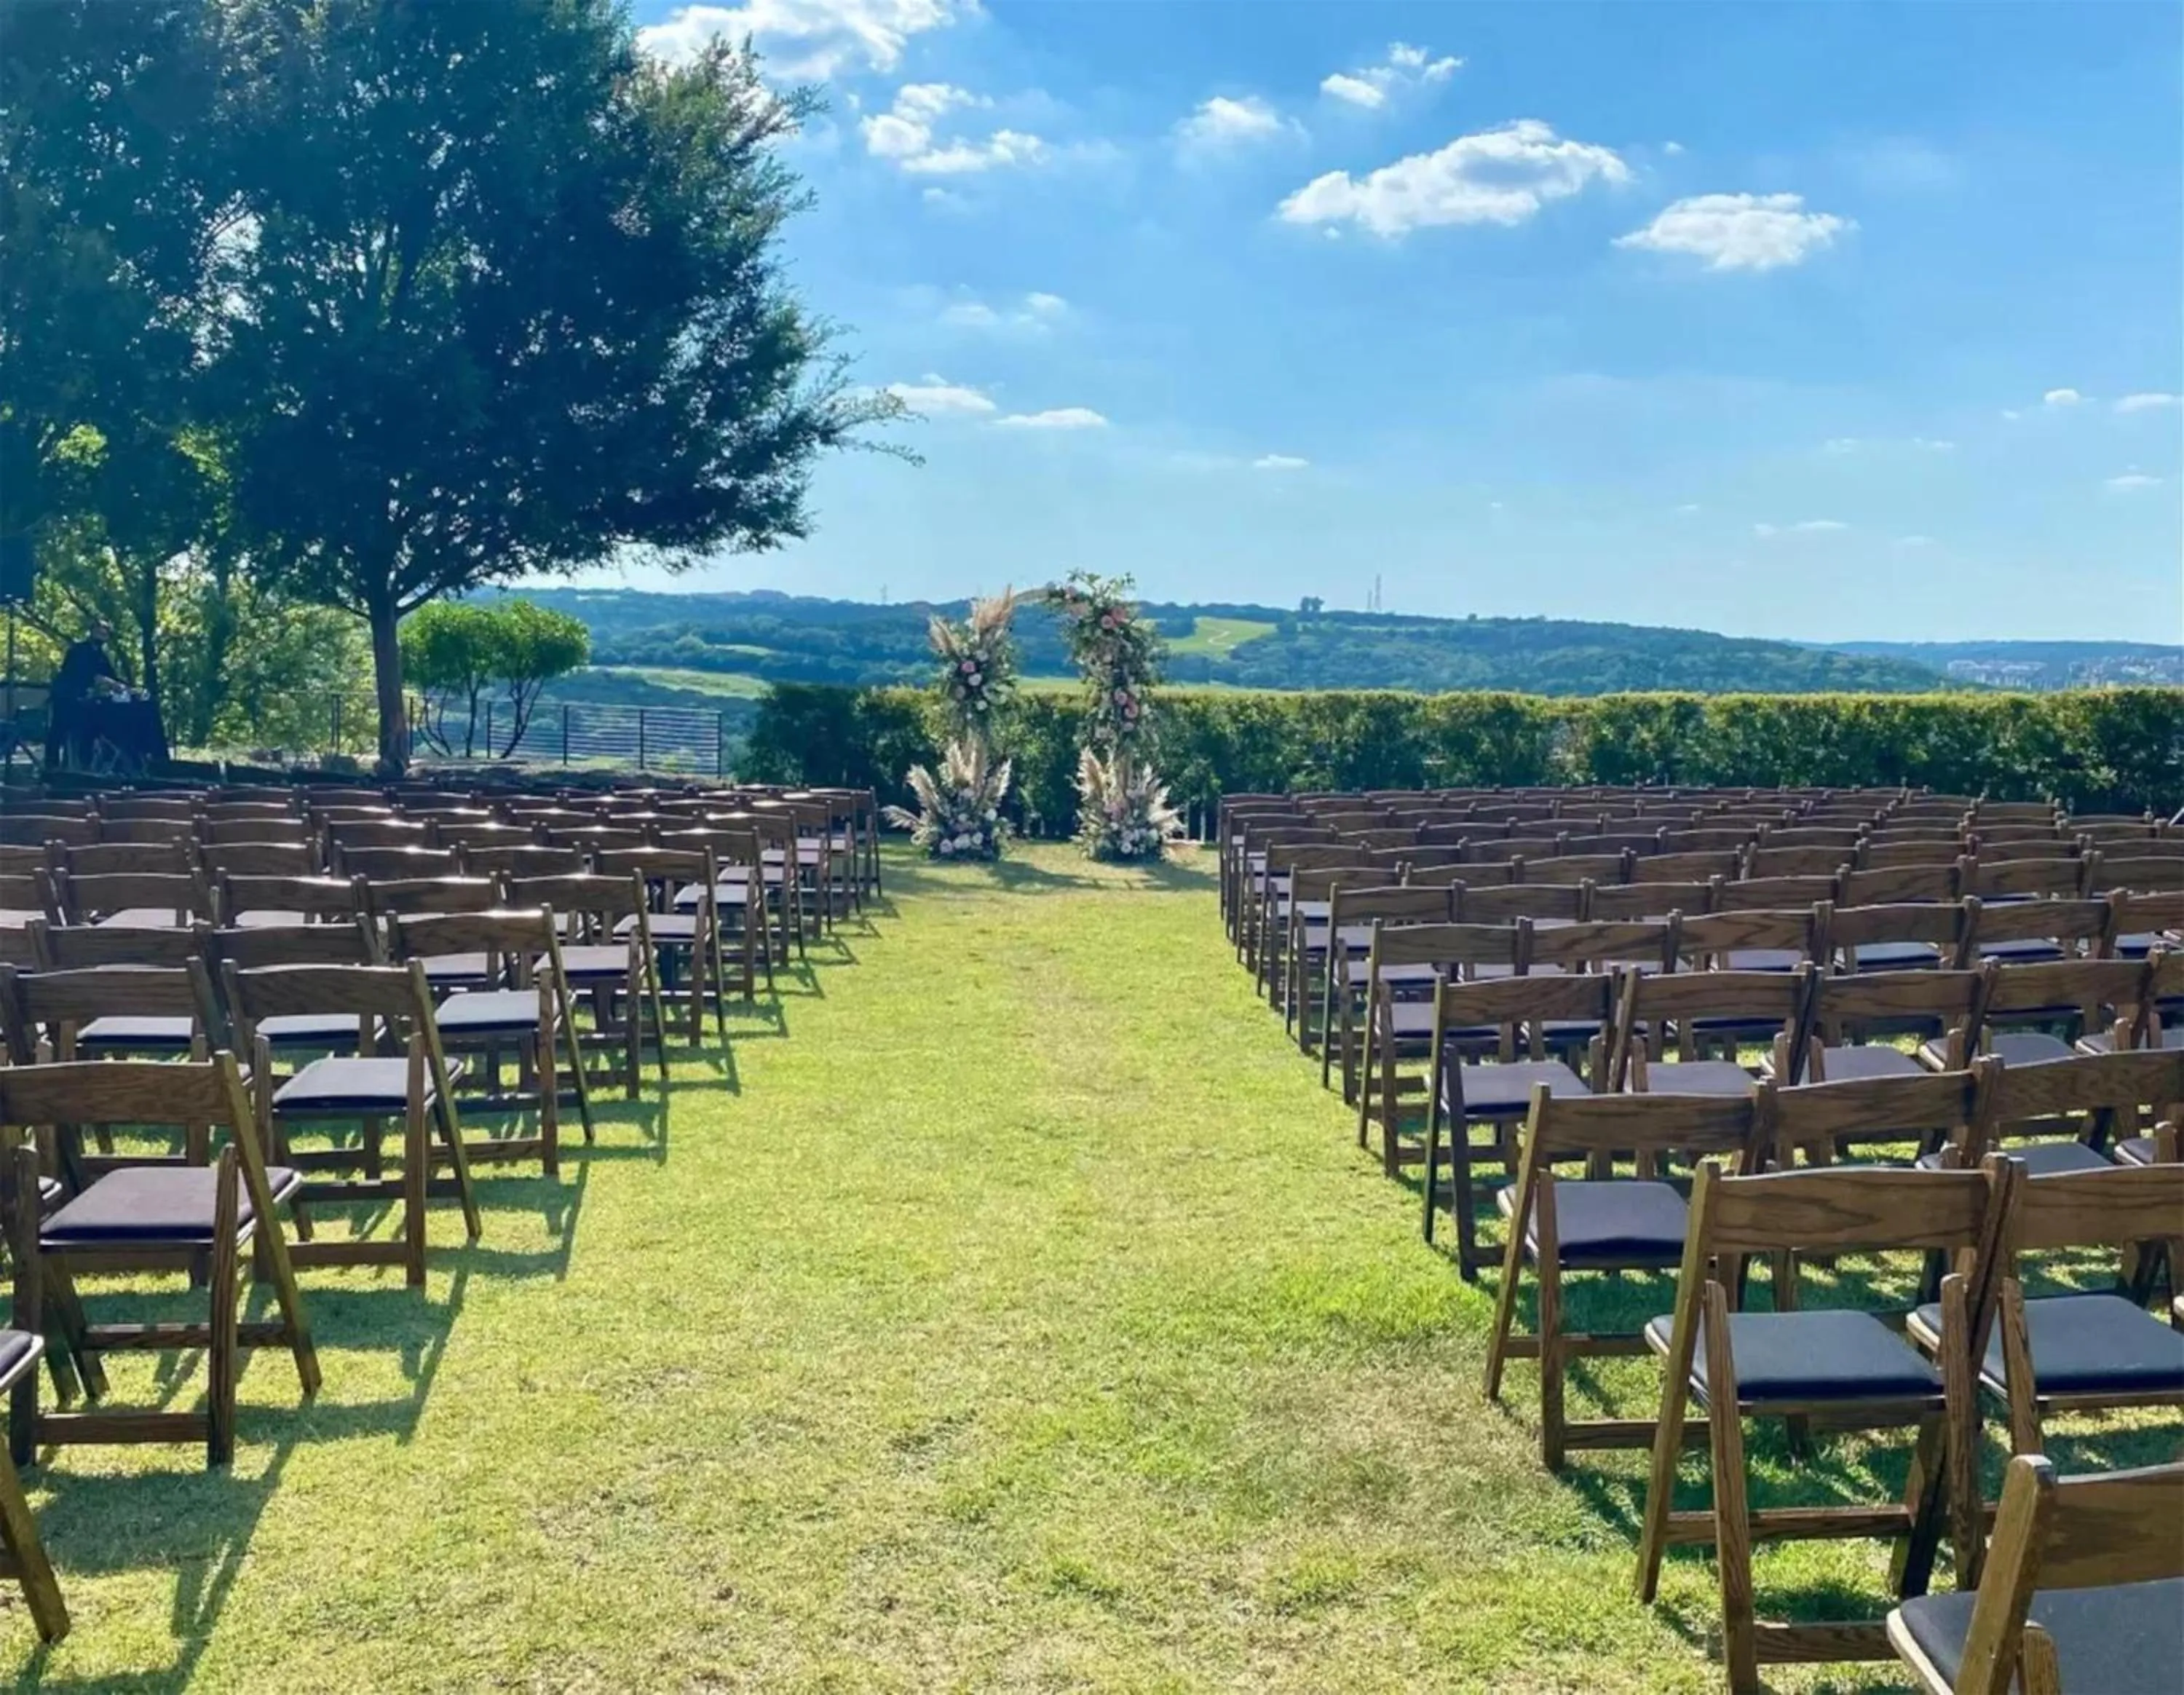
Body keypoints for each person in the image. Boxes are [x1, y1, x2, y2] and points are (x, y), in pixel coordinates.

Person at [44, 618, 123, 772]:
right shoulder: (78, 650)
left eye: (105, 634)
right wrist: (105, 681)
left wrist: (124, 687)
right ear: (92, 632)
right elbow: (84, 674)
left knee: (90, 729)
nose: (102, 636)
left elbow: (111, 675)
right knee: (59, 731)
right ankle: (51, 767)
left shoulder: (101, 655)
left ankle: (85, 766)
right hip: (65, 697)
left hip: (83, 701)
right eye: (99, 632)